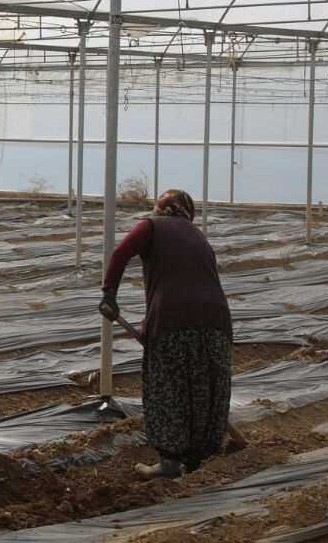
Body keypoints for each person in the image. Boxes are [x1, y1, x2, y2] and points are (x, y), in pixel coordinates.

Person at [99, 188, 233, 480]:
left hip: (173, 322)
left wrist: (109, 292)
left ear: (161, 208)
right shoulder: (200, 237)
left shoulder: (151, 226)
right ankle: (197, 459)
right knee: (204, 390)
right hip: (217, 324)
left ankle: (170, 463)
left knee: (168, 389)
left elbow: (121, 252)